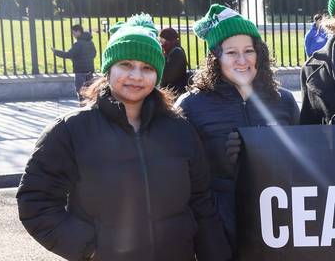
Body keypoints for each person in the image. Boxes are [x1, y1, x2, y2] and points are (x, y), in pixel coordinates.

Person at [17, 14, 230, 261]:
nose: (136, 76)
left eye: (147, 68)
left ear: (157, 75)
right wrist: (90, 248)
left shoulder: (180, 130)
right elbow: (35, 201)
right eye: (126, 64)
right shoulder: (70, 131)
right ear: (108, 69)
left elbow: (201, 204)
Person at [176, 4, 299, 252]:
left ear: (259, 54)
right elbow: (184, 177)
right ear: (216, 58)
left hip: (278, 222)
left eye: (249, 51)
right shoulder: (191, 106)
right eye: (231, 52)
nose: (242, 60)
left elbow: (301, 160)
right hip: (219, 226)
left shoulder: (284, 101)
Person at [52, 23, 97, 100]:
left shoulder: (78, 44)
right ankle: (90, 107)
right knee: (90, 91)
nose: (73, 35)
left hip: (80, 71)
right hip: (89, 70)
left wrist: (56, 52)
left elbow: (69, 54)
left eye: (74, 33)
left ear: (79, 32)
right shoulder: (90, 43)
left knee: (80, 91)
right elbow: (94, 54)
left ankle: (83, 108)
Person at [158, 28, 190, 94]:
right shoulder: (171, 51)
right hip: (171, 89)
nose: (161, 44)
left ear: (169, 40)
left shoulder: (177, 53)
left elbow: (166, 77)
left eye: (162, 41)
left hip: (175, 91)